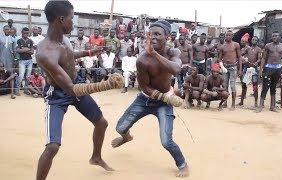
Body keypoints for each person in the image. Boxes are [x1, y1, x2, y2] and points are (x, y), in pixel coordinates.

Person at [35, 1, 124, 179]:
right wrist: (106, 84)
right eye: (71, 18)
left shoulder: (64, 39)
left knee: (102, 123)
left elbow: (67, 56)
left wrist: (89, 53)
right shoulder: (44, 52)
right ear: (61, 19)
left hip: (76, 84)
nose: (73, 23)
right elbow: (70, 89)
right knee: (52, 146)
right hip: (59, 95)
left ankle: (96, 157)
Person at [111, 20, 189, 178]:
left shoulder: (174, 52)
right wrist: (162, 96)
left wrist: (155, 54)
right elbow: (144, 87)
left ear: (167, 37)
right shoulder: (142, 60)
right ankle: (126, 137)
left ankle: (182, 164)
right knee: (120, 128)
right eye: (150, 34)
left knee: (166, 141)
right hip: (145, 100)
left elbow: (176, 69)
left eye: (157, 34)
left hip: (164, 104)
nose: (152, 37)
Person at [256, 31, 282, 113]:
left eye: (276, 36)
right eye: (273, 36)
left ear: (279, 37)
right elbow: (263, 58)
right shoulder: (268, 46)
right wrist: (261, 70)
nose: (274, 37)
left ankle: (272, 107)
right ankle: (260, 106)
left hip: (278, 69)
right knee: (265, 87)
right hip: (268, 68)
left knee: (273, 88)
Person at [218, 30, 242, 110]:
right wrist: (221, 67)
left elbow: (239, 57)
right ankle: (225, 102)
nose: (227, 37)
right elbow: (219, 59)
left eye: (229, 35)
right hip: (225, 68)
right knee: (225, 85)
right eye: (226, 35)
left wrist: (240, 69)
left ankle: (233, 104)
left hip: (233, 67)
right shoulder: (222, 46)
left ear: (232, 36)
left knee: (232, 86)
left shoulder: (236, 45)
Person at [238, 36, 262, 107]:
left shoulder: (259, 49)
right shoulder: (248, 48)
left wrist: (257, 62)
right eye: (253, 39)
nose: (254, 41)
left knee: (255, 85)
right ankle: (241, 102)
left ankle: (255, 103)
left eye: (255, 40)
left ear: (257, 41)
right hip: (247, 68)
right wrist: (242, 58)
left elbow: (259, 58)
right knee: (244, 84)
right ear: (251, 41)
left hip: (254, 69)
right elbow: (240, 54)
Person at [16, 27, 34, 94]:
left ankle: (25, 90)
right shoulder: (19, 40)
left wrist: (24, 49)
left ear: (28, 33)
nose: (25, 34)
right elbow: (18, 50)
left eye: (27, 33)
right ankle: (16, 90)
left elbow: (32, 52)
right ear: (22, 33)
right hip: (22, 61)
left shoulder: (30, 41)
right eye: (24, 33)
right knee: (21, 76)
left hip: (29, 60)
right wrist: (28, 49)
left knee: (28, 76)